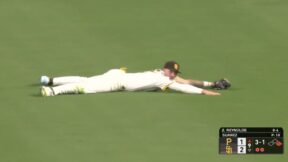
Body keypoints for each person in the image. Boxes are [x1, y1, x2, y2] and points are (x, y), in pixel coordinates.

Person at [40, 61, 231, 96]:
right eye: (172, 72)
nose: (174, 75)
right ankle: (52, 91)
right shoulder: (163, 79)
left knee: (86, 79)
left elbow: (185, 81)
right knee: (85, 87)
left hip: (117, 74)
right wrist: (204, 92)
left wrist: (213, 84)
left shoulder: (161, 75)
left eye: (175, 73)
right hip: (116, 81)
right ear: (166, 70)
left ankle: (50, 80)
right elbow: (184, 88)